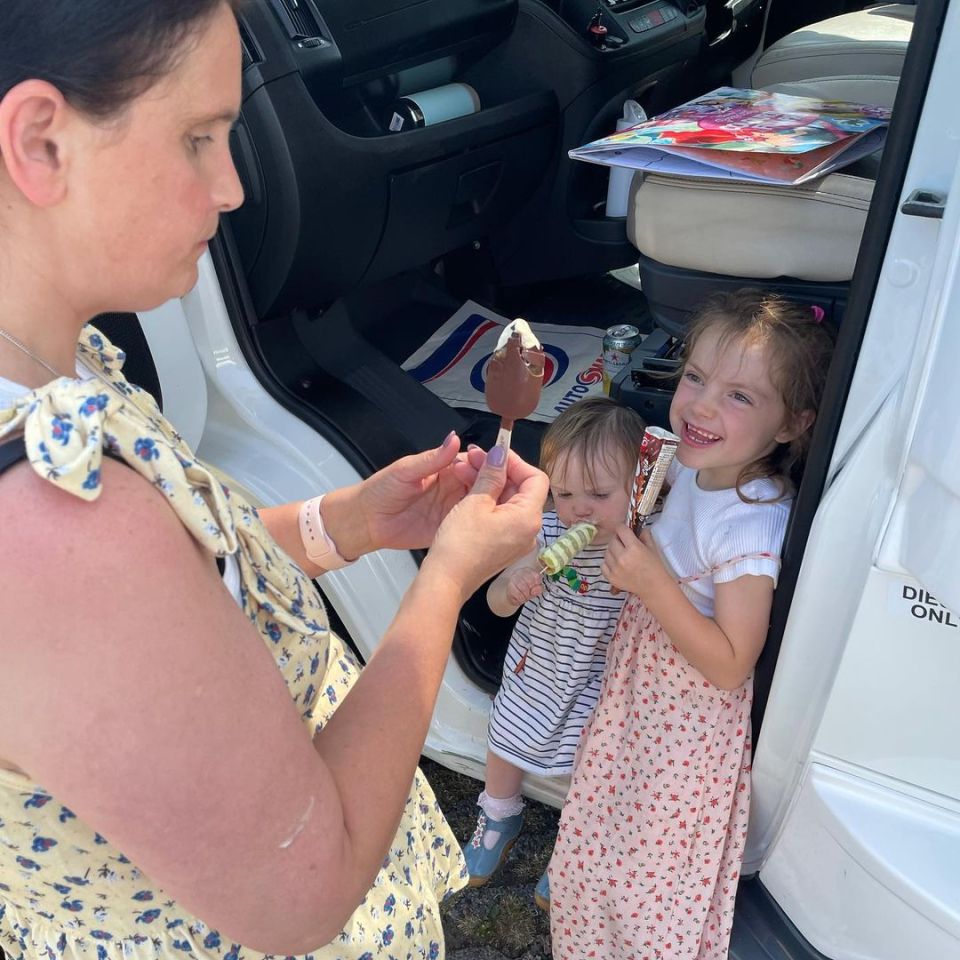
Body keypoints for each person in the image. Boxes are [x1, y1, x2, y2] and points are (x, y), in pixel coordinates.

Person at [0, 3, 549, 959]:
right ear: (42, 142)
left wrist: (349, 524)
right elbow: (307, 888)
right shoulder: (55, 525)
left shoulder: (51, 367)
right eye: (199, 138)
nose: (232, 189)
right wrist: (448, 578)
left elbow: (185, 578)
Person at [549, 289, 834, 959]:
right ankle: (588, 925)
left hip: (686, 732)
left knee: (653, 872)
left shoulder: (751, 521)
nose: (703, 404)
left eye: (740, 397)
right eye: (697, 378)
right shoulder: (686, 465)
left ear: (792, 425)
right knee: (604, 820)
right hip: (640, 698)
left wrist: (651, 584)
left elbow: (733, 661)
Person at [462, 397, 646, 907]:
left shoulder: (638, 552)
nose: (578, 509)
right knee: (505, 732)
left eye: (600, 494)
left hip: (595, 676)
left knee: (591, 764)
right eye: (563, 493)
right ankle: (499, 812)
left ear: (639, 489)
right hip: (537, 666)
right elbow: (494, 605)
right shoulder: (543, 533)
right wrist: (514, 585)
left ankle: (573, 847)